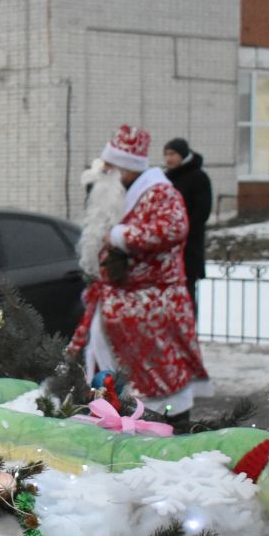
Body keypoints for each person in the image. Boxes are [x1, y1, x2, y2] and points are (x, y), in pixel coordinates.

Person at [68, 124, 208, 422]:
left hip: (153, 315)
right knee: (116, 378)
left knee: (160, 387)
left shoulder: (159, 192)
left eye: (109, 163)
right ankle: (114, 417)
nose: (103, 168)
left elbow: (175, 228)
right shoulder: (122, 190)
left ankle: (164, 431)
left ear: (125, 167)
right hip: (121, 309)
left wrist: (120, 236)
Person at [162, 137, 212, 322]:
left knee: (187, 291)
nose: (169, 158)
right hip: (167, 246)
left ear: (183, 155)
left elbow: (202, 211)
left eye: (172, 154)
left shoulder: (198, 177)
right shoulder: (165, 178)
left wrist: (182, 232)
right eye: (166, 154)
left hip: (188, 246)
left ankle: (189, 328)